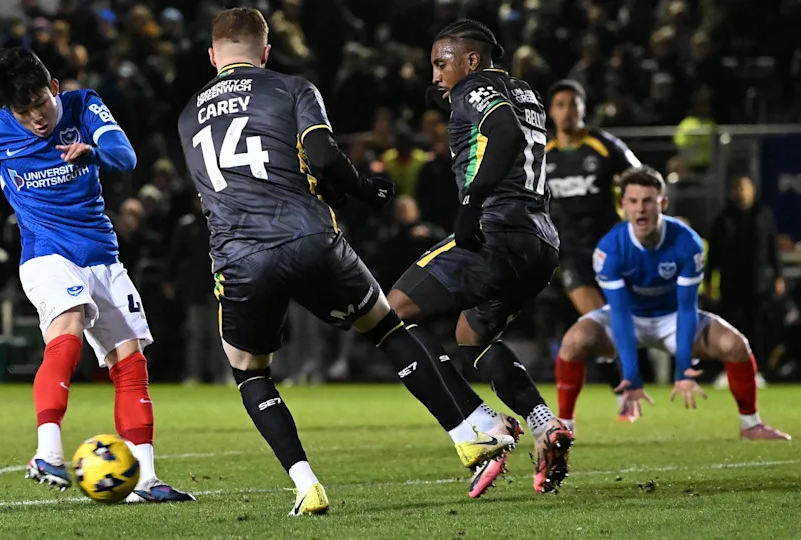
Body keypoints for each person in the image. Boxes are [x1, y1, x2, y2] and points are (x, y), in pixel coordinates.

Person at [177, 8, 513, 516]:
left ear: (212, 56)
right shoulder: (292, 88)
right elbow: (322, 154)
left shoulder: (187, 115)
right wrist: (364, 190)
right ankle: (467, 434)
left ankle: (306, 484)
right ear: (265, 52)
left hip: (241, 255)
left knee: (249, 371)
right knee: (386, 328)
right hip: (310, 238)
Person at [0, 47, 195, 503]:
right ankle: (47, 452)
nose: (36, 116)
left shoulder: (83, 105)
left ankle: (146, 481)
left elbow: (126, 156)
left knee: (130, 361)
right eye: (24, 110)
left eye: (40, 102)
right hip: (46, 254)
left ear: (54, 88)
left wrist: (92, 153)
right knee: (68, 325)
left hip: (103, 256)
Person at [388, 19, 572, 497]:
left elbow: (503, 132)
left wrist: (472, 201)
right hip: (540, 242)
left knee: (391, 314)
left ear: (471, 61)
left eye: (441, 63)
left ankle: (481, 423)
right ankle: (543, 423)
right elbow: (494, 119)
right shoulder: (524, 91)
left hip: (497, 230)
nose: (435, 75)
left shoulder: (475, 86)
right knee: (472, 337)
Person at [554, 166, 790, 441]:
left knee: (735, 345)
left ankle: (751, 424)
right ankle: (564, 427)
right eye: (633, 201)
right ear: (623, 206)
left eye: (648, 201)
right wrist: (631, 377)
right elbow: (619, 313)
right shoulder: (610, 249)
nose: (640, 209)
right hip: (629, 316)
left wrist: (683, 370)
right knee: (574, 341)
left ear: (663, 203)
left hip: (673, 317)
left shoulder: (687, 242)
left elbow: (687, 308)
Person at [544, 79, 647, 421]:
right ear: (551, 111)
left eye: (573, 104)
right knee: (597, 318)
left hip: (611, 248)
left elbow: (642, 179)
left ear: (584, 109)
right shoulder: (544, 155)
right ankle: (623, 389)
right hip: (570, 252)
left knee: (617, 321)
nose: (567, 111)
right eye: (560, 105)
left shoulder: (603, 146)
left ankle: (627, 383)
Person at [706, 175, 786, 367]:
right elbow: (714, 253)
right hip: (731, 281)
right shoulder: (723, 218)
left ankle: (756, 368)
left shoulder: (763, 216)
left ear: (752, 191)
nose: (741, 192)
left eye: (744, 188)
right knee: (731, 326)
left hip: (756, 281)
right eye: (738, 188)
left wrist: (778, 276)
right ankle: (730, 368)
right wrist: (709, 280)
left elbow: (772, 248)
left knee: (756, 327)